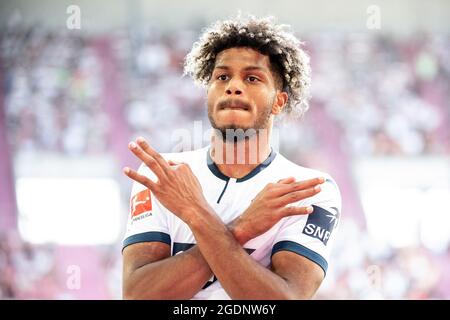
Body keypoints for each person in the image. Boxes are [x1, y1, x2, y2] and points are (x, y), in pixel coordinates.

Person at [121, 15, 341, 300]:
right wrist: (240, 228)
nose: (233, 86)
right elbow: (138, 295)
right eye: (222, 77)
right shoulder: (163, 176)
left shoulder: (309, 189)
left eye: (252, 78)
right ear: (208, 93)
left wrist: (196, 213)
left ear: (279, 101)